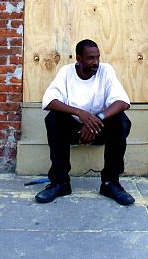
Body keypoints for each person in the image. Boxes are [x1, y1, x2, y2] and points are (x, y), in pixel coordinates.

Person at [34, 39, 134, 205]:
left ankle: (110, 183)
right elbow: (49, 100)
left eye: (97, 58)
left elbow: (123, 101)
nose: (95, 62)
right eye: (90, 58)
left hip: (99, 130)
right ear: (79, 59)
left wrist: (97, 119)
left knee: (120, 120)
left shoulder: (105, 70)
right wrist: (80, 114)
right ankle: (60, 183)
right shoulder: (66, 72)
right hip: (73, 132)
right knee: (53, 118)